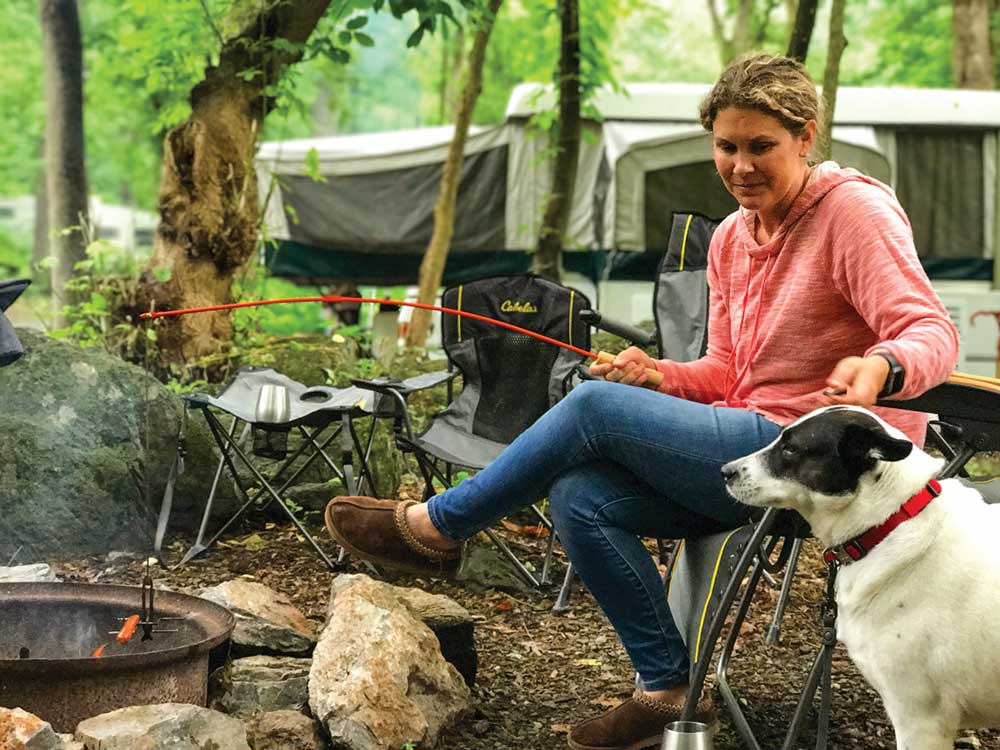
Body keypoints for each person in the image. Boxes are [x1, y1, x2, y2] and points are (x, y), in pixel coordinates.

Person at [325, 54, 959, 750]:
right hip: (748, 451)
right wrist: (660, 376)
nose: (740, 165)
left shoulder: (852, 213)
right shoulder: (730, 239)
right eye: (726, 147)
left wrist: (879, 366)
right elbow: (727, 373)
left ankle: (437, 527)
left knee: (592, 409)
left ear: (806, 138)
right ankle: (666, 690)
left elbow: (931, 331)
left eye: (760, 147)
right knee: (579, 494)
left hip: (824, 465)